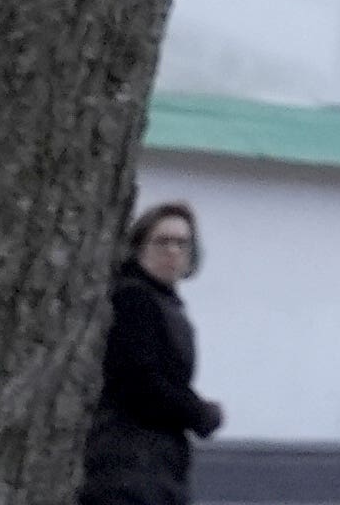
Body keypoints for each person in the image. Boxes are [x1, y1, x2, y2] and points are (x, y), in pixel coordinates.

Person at [78, 200, 223, 505]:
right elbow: (140, 383)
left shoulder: (160, 301)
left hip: (149, 460)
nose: (173, 252)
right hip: (127, 460)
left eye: (182, 244)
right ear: (140, 246)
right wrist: (199, 413)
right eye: (162, 242)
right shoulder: (135, 300)